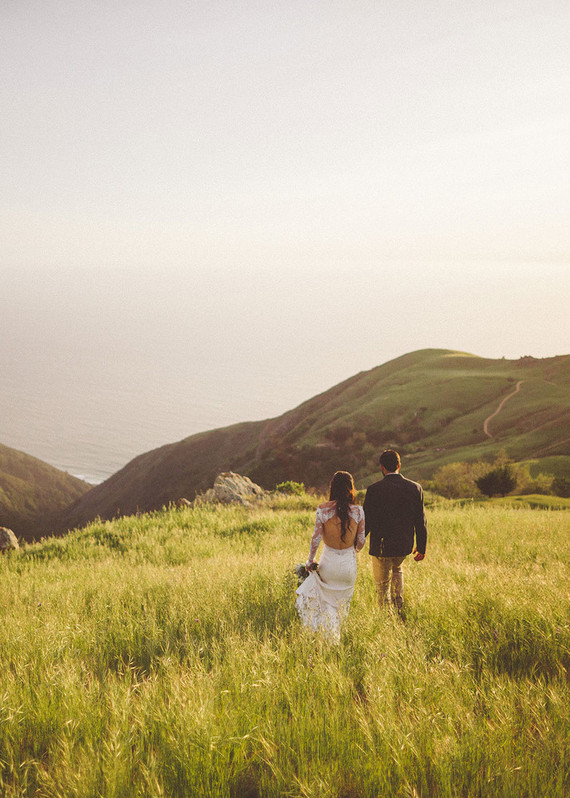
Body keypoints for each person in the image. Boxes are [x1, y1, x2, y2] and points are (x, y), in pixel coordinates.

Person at [296, 471, 365, 638]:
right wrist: (351, 551)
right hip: (348, 566)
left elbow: (315, 540)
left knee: (326, 605)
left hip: (328, 564)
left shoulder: (322, 510)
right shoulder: (358, 511)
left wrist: (310, 561)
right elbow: (361, 542)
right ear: (351, 489)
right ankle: (336, 638)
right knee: (342, 605)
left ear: (332, 488)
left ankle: (325, 638)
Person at [363, 450, 427, 615]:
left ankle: (386, 619)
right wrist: (422, 547)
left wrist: (357, 543)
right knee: (397, 570)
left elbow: (367, 522)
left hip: (381, 546)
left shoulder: (374, 490)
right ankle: (399, 611)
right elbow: (421, 520)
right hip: (403, 546)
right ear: (399, 465)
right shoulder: (415, 488)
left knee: (382, 586)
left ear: (382, 468)